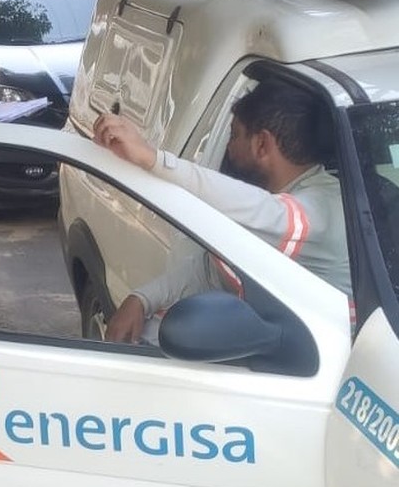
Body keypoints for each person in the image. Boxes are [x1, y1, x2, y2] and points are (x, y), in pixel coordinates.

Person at [92, 79, 351, 343]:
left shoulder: (322, 210)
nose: (228, 147)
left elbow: (267, 211)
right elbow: (212, 272)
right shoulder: (288, 206)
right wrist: (141, 299)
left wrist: (153, 159)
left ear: (262, 144)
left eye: (235, 135)